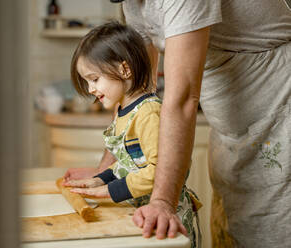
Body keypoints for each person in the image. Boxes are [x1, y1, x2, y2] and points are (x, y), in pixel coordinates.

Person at [64, 0, 291, 247]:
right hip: (232, 131)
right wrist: (105, 171)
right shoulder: (133, 2)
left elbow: (181, 99)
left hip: (279, 118)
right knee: (236, 230)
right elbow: (135, 92)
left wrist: (162, 202)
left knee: (270, 232)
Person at [64, 21, 201, 247]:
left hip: (167, 220)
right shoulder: (122, 111)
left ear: (124, 69)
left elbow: (156, 170)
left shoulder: (147, 113)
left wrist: (108, 191)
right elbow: (128, 164)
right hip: (142, 212)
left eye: (94, 79)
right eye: (87, 82)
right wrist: (98, 180)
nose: (90, 90)